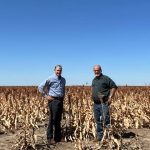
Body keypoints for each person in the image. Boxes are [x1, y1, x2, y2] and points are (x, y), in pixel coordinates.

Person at [38, 65, 66, 145]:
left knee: (58, 119)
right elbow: (40, 87)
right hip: (53, 100)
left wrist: (63, 95)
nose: (58, 72)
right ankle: (49, 138)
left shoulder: (63, 79)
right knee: (52, 119)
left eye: (60, 70)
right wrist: (46, 96)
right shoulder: (50, 78)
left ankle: (57, 137)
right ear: (54, 70)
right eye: (57, 70)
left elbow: (63, 88)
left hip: (60, 100)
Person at [92, 65, 117, 142]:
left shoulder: (106, 78)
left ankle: (108, 136)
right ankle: (99, 136)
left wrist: (110, 97)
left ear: (101, 70)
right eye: (95, 70)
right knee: (97, 120)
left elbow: (114, 86)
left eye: (98, 70)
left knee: (106, 119)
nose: (96, 71)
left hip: (103, 103)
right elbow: (93, 88)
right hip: (96, 104)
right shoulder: (94, 80)